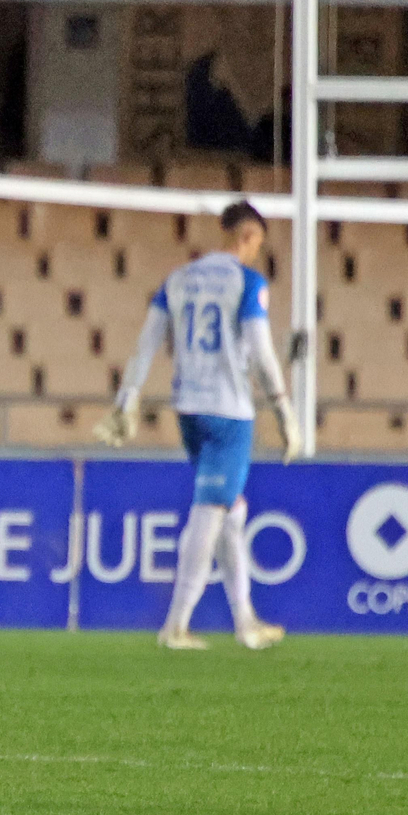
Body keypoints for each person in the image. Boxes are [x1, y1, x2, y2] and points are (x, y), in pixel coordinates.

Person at [95, 201, 300, 651]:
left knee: (231, 510)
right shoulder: (247, 283)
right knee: (210, 512)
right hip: (229, 412)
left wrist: (126, 401)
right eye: (256, 245)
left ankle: (245, 622)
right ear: (247, 237)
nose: (254, 254)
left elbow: (144, 345)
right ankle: (176, 625)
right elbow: (263, 355)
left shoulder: (178, 279)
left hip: (188, 409)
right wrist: (285, 413)